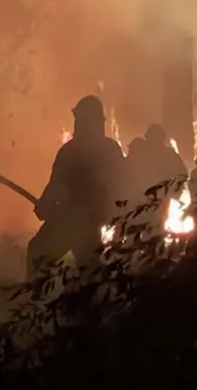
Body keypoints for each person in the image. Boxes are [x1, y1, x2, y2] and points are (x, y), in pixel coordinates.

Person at [26, 95, 126, 276]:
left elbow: (56, 186)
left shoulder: (71, 151)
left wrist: (46, 205)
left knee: (38, 254)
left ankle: (37, 291)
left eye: (79, 119)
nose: (77, 124)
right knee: (91, 272)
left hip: (73, 221)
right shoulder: (111, 149)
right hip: (90, 220)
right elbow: (122, 185)